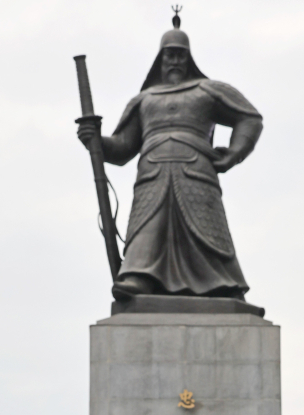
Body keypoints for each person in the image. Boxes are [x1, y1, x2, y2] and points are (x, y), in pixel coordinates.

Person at [77, 20, 263, 302]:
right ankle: (139, 276)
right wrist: (96, 141)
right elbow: (123, 147)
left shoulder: (207, 90)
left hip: (196, 171)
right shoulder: (144, 100)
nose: (175, 61)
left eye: (180, 55)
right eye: (169, 55)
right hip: (152, 172)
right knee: (148, 226)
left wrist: (234, 153)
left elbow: (249, 118)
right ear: (160, 59)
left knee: (206, 230)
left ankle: (224, 285)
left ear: (189, 59)